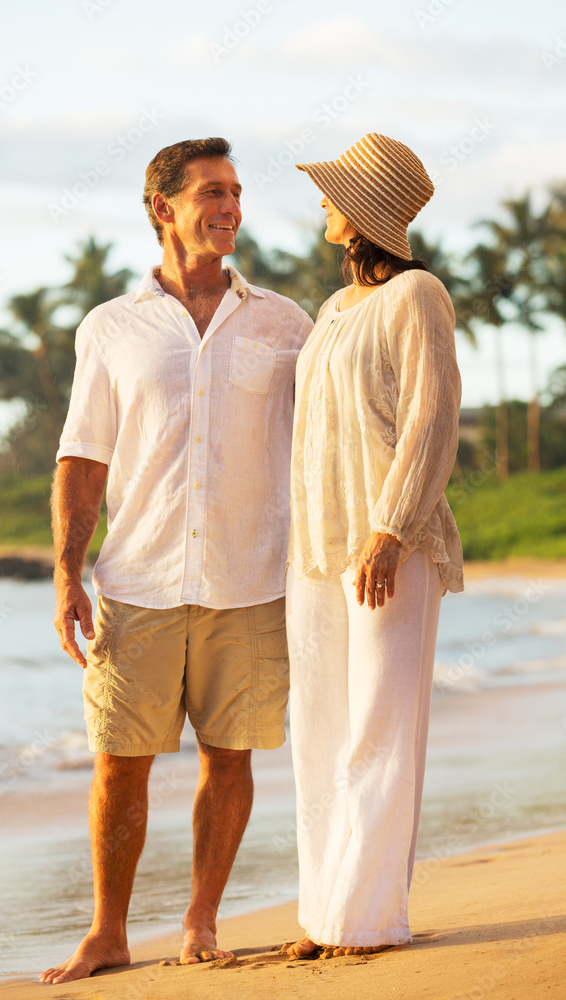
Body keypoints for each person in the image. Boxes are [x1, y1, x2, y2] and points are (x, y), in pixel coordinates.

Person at [40, 137, 313, 984]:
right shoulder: (111, 329)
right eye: (210, 193)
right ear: (163, 208)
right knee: (119, 764)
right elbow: (82, 458)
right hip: (139, 580)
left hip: (252, 578)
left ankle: (201, 920)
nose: (229, 207)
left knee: (228, 757)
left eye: (235, 193)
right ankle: (109, 932)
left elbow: (319, 446)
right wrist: (65, 573)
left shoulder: (284, 321)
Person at [285, 133, 464, 958]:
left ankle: (367, 918)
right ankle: (325, 915)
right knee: (319, 729)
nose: (321, 202)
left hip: (387, 543)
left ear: (364, 211)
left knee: (379, 730)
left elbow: (431, 418)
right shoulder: (330, 309)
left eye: (333, 193)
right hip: (320, 550)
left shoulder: (417, 294)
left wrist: (389, 530)